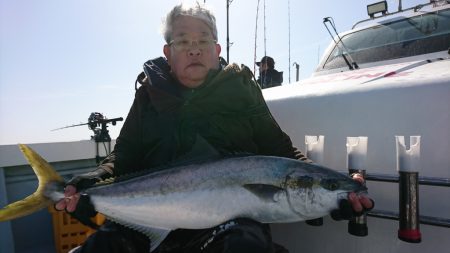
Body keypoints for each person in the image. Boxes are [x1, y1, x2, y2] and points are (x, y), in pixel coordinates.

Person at [55, 3, 373, 253]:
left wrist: (335, 188)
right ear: (168, 53)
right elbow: (123, 156)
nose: (194, 49)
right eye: (183, 42)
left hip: (227, 224)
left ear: (217, 50)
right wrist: (93, 182)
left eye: (203, 41)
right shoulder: (148, 94)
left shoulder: (241, 87)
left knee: (245, 244)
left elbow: (280, 150)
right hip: (150, 216)